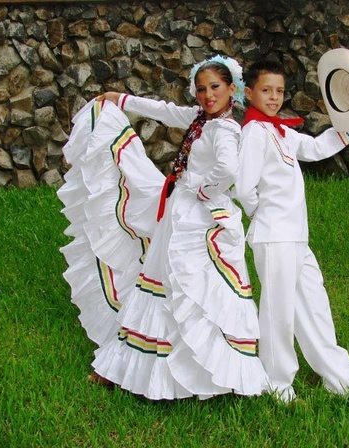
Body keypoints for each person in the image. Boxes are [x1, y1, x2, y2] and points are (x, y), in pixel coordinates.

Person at [58, 55, 268, 400]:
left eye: (215, 87)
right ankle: (127, 367)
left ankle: (201, 371)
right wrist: (122, 100)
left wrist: (201, 189)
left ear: (233, 89)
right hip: (182, 211)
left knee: (189, 289)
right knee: (161, 283)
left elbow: (228, 169)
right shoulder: (202, 119)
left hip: (198, 217)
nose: (207, 95)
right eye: (201, 89)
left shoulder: (225, 128)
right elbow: (166, 110)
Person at [234, 58, 349, 403]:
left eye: (279, 91)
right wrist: (264, 215)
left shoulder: (280, 131)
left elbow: (315, 148)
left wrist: (348, 124)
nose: (274, 97)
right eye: (266, 90)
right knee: (278, 312)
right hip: (275, 236)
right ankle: (277, 384)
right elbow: (243, 187)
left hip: (296, 236)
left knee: (315, 306)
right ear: (249, 92)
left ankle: (342, 378)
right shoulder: (254, 133)